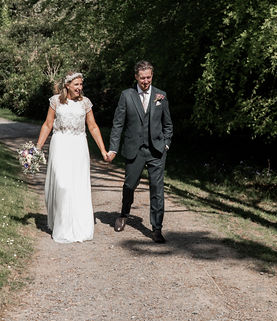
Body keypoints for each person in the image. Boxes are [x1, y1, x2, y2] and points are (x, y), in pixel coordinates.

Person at [34, 71, 109, 243]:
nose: (79, 88)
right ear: (67, 85)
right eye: (76, 84)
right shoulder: (55, 101)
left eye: (81, 84)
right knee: (62, 184)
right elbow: (47, 124)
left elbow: (93, 127)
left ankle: (78, 225)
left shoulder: (85, 103)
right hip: (60, 144)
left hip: (78, 146)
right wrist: (37, 149)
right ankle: (61, 224)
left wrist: (103, 150)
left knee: (77, 185)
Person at [107, 60, 173, 243]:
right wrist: (113, 147)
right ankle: (124, 213)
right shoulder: (126, 96)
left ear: (152, 76)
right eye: (142, 78)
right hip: (134, 149)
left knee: (157, 189)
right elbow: (118, 124)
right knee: (129, 185)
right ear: (136, 77)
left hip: (157, 151)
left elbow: (168, 125)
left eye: (149, 77)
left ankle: (157, 228)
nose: (146, 81)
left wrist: (166, 144)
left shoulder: (161, 95)